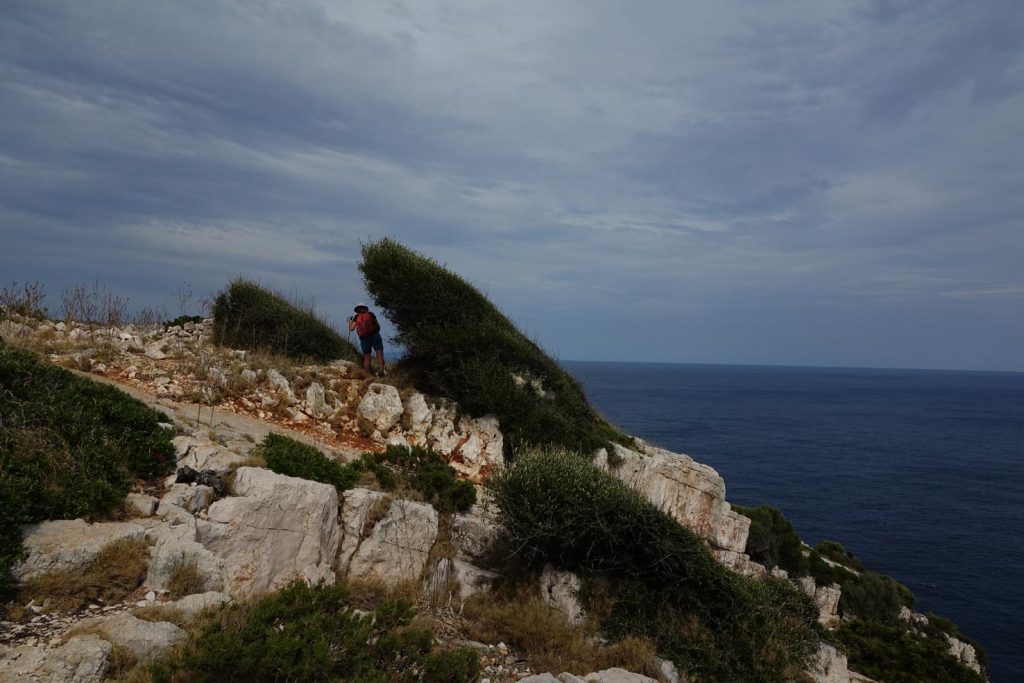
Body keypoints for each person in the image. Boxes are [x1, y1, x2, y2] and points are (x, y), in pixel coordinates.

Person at [348, 303, 387, 377]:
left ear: (357, 309)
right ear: (365, 308)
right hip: (374, 335)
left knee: (367, 357)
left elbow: (351, 329)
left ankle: (367, 375)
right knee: (379, 353)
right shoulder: (371, 314)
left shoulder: (356, 317)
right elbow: (378, 326)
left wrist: (350, 321)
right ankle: (382, 371)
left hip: (364, 338)